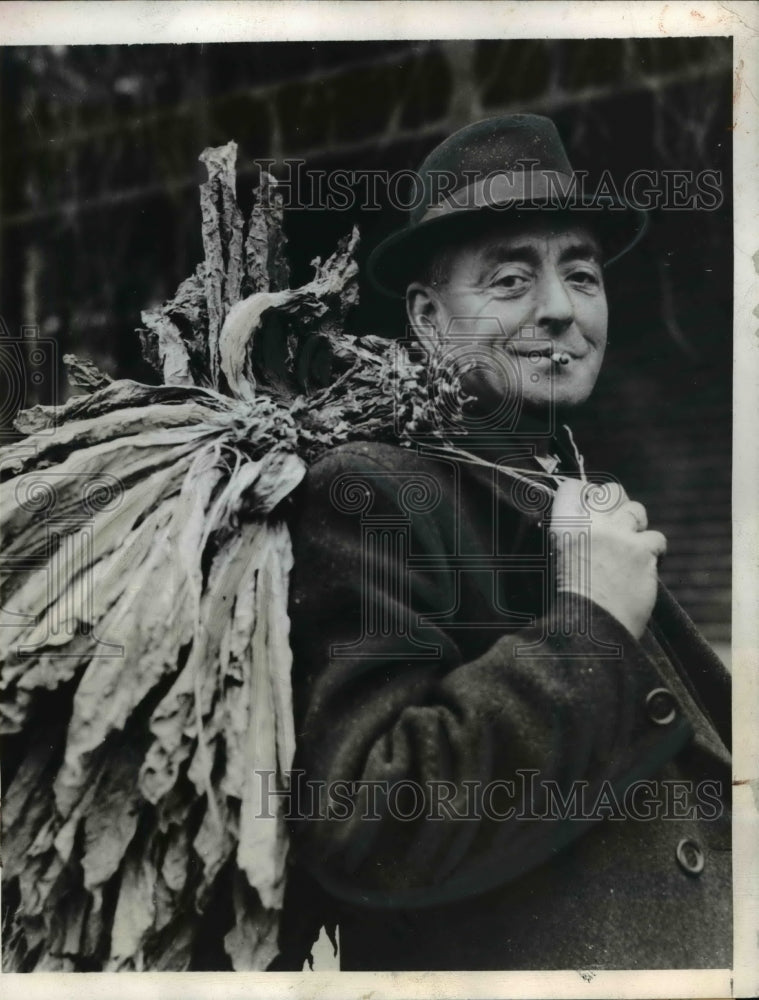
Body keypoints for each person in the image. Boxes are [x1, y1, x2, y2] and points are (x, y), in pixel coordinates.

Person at [280, 115, 732, 971]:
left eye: (582, 274)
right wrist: (588, 625)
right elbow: (364, 817)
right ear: (425, 314)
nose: (560, 309)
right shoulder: (375, 488)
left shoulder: (559, 481)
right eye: (511, 278)